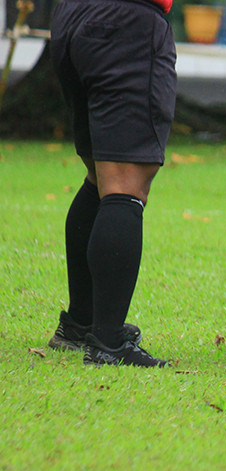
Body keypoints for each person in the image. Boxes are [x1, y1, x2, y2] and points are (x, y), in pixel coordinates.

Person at [46, 0, 176, 367]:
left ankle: (80, 324)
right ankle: (108, 342)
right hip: (126, 22)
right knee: (124, 183)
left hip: (74, 16)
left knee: (100, 177)